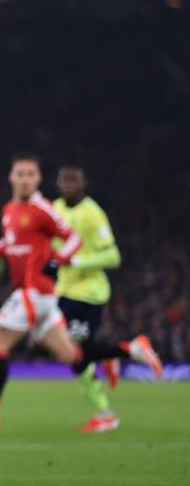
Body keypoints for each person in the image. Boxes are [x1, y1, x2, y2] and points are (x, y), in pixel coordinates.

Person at [0, 153, 161, 435]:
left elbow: (74, 238)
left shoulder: (43, 209)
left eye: (31, 174)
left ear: (38, 179)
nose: (25, 179)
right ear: (11, 177)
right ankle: (130, 349)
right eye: (20, 174)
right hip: (47, 298)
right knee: (71, 355)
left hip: (33, 291)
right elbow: (11, 242)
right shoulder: (9, 210)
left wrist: (57, 261)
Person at [54, 161, 152, 433]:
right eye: (64, 180)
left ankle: (128, 351)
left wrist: (76, 261)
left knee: (73, 354)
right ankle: (109, 355)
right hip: (61, 292)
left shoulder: (92, 214)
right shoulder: (56, 209)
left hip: (87, 294)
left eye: (74, 180)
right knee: (69, 353)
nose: (68, 185)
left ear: (83, 184)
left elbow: (112, 256)